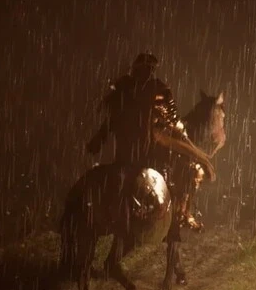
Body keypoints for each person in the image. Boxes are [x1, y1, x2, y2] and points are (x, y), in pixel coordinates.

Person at [86, 53, 210, 231]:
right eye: (146, 68)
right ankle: (180, 216)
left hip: (128, 149)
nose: (148, 72)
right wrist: (185, 141)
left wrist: (99, 139)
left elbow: (112, 119)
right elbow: (172, 121)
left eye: (150, 69)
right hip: (146, 149)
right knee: (187, 169)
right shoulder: (146, 88)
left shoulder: (127, 87)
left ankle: (181, 214)